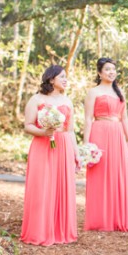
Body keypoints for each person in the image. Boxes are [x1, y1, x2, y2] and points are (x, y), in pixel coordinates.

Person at [21, 65, 78, 245]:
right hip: (42, 145)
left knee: (61, 186)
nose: (65, 80)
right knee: (42, 186)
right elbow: (28, 125)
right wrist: (44, 132)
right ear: (51, 79)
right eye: (62, 77)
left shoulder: (68, 101)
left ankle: (60, 230)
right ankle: (39, 230)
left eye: (66, 77)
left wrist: (76, 153)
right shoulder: (36, 99)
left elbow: (71, 130)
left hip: (63, 146)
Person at [84, 57, 128, 231]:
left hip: (117, 134)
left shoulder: (119, 91)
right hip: (99, 130)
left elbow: (124, 118)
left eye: (113, 69)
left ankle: (119, 216)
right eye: (107, 69)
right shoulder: (93, 92)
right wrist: (86, 144)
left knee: (119, 172)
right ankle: (100, 218)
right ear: (100, 73)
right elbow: (87, 118)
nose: (111, 72)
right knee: (101, 172)